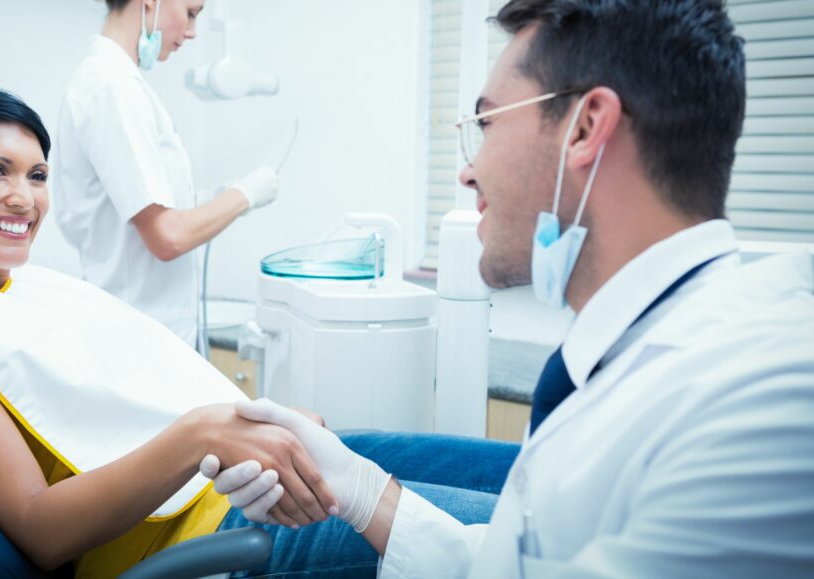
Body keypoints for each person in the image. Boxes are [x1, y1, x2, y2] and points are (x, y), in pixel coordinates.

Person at [205, 1, 814, 576]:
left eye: (487, 123)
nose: (468, 170)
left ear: (586, 128)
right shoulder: (629, 345)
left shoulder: (762, 406)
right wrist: (360, 492)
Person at [0, 82, 522, 578]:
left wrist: (258, 423)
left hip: (248, 474)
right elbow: (38, 529)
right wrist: (202, 433)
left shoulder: (31, 288)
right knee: (522, 544)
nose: (25, 198)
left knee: (525, 481)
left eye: (38, 175)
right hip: (209, 538)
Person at [54, 0, 278, 348]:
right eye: (190, 13)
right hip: (138, 336)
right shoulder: (113, 88)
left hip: (148, 331)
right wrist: (244, 195)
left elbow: (142, 209)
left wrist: (207, 201)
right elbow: (167, 237)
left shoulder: (118, 84)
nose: (192, 32)